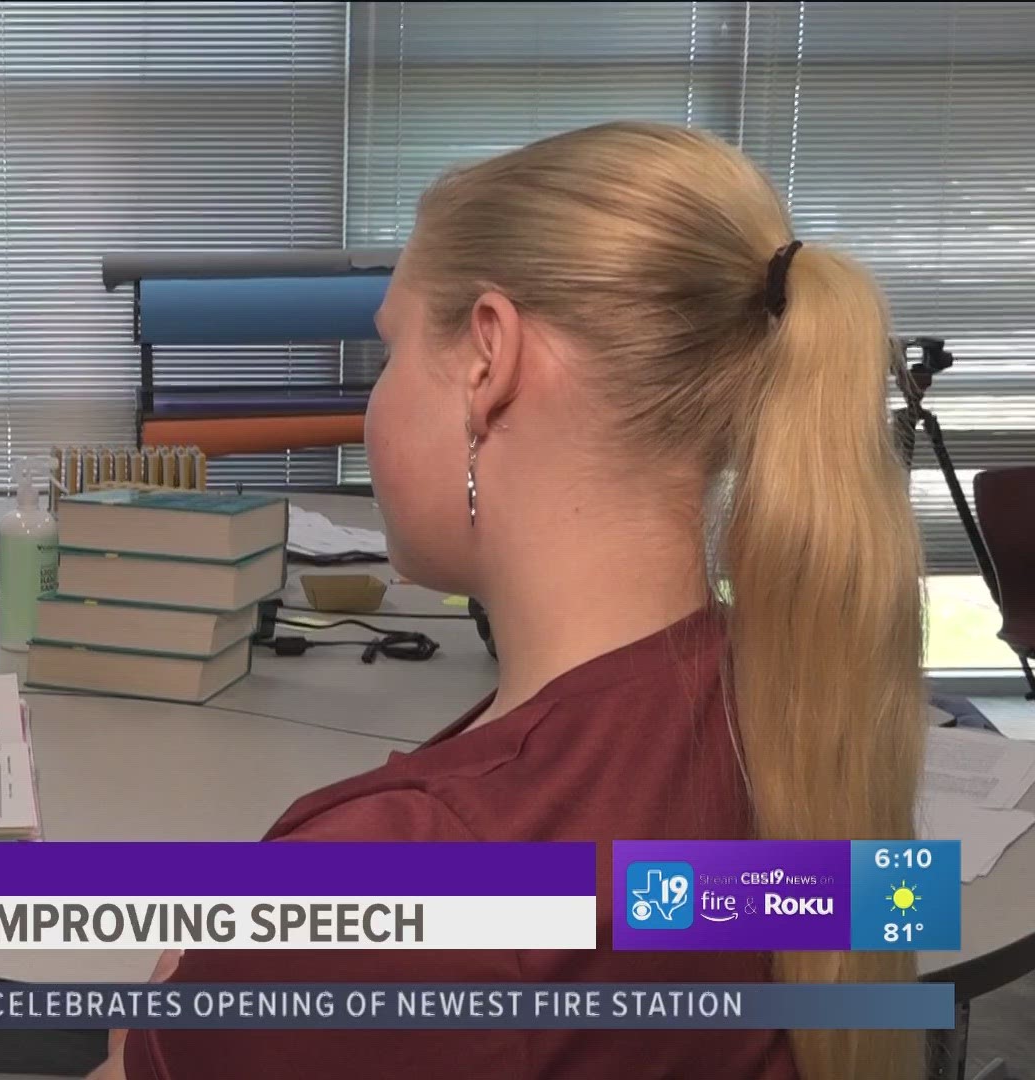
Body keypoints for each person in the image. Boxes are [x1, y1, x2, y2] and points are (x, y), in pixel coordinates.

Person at [93, 122, 924, 1080]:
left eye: (390, 353)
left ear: (488, 358)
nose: (373, 404)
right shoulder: (789, 712)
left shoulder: (398, 889)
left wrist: (157, 1022)